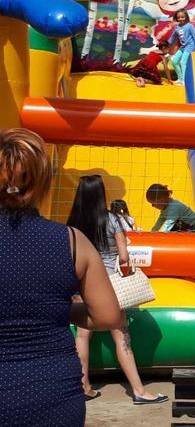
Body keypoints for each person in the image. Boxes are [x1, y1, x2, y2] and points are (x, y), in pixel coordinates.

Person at [0, 129, 122, 426]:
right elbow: (108, 316)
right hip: (53, 392)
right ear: (42, 181)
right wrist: (55, 309)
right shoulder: (72, 241)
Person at [67, 175, 168, 405]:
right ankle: (139, 391)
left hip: (81, 284)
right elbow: (123, 257)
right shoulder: (113, 219)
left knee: (82, 335)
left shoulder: (73, 222)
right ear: (101, 193)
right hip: (109, 285)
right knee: (121, 335)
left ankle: (84, 387)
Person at [166, 9, 195, 86]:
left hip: (190, 46)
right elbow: (173, 37)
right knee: (174, 61)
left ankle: (185, 80)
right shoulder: (177, 28)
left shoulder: (190, 26)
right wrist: (166, 44)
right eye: (178, 17)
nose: (180, 19)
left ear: (186, 17)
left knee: (183, 62)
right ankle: (180, 78)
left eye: (182, 17)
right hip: (183, 47)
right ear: (176, 18)